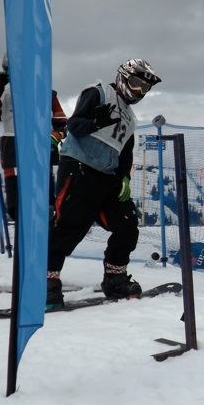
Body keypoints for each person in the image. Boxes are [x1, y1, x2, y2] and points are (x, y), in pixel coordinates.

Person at [46, 59, 161, 308]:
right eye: (136, 83)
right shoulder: (98, 92)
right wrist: (96, 123)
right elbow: (73, 126)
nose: (139, 91)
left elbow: (126, 154)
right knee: (69, 227)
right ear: (123, 76)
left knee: (127, 226)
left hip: (108, 177)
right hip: (79, 169)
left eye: (145, 88)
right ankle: (46, 282)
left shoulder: (130, 119)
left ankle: (115, 279)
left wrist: (125, 179)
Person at [0, 53, 68, 222]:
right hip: (13, 155)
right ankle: (22, 246)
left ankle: (47, 246)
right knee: (15, 209)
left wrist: (53, 138)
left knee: (45, 207)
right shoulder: (3, 95)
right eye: (10, 71)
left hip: (40, 155)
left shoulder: (46, 92)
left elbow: (62, 123)